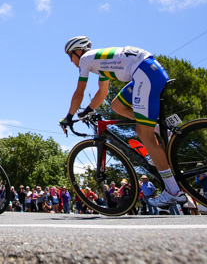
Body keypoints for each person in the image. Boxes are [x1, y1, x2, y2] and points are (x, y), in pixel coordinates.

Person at [60, 36, 187, 209]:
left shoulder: (85, 60)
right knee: (117, 105)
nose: (71, 61)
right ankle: (157, 127)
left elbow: (79, 92)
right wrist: (87, 110)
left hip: (144, 74)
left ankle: (173, 191)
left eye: (70, 56)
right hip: (149, 69)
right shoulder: (99, 62)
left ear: (78, 51)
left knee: (144, 133)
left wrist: (68, 117)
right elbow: (102, 93)